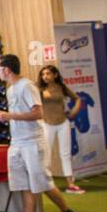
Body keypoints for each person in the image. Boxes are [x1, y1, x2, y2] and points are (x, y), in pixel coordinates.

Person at [0, 54, 77, 212]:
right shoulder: (11, 88)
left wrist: (10, 116)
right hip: (18, 142)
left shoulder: (26, 86)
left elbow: (38, 113)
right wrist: (7, 116)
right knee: (24, 184)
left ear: (6, 70)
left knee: (43, 183)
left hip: (32, 142)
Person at [39, 65, 86, 194]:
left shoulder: (62, 88)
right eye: (43, 74)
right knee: (46, 154)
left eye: (48, 73)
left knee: (65, 154)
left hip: (63, 122)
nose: (45, 76)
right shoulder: (39, 89)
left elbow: (77, 99)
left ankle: (71, 184)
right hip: (47, 124)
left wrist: (73, 113)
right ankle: (47, 184)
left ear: (55, 75)